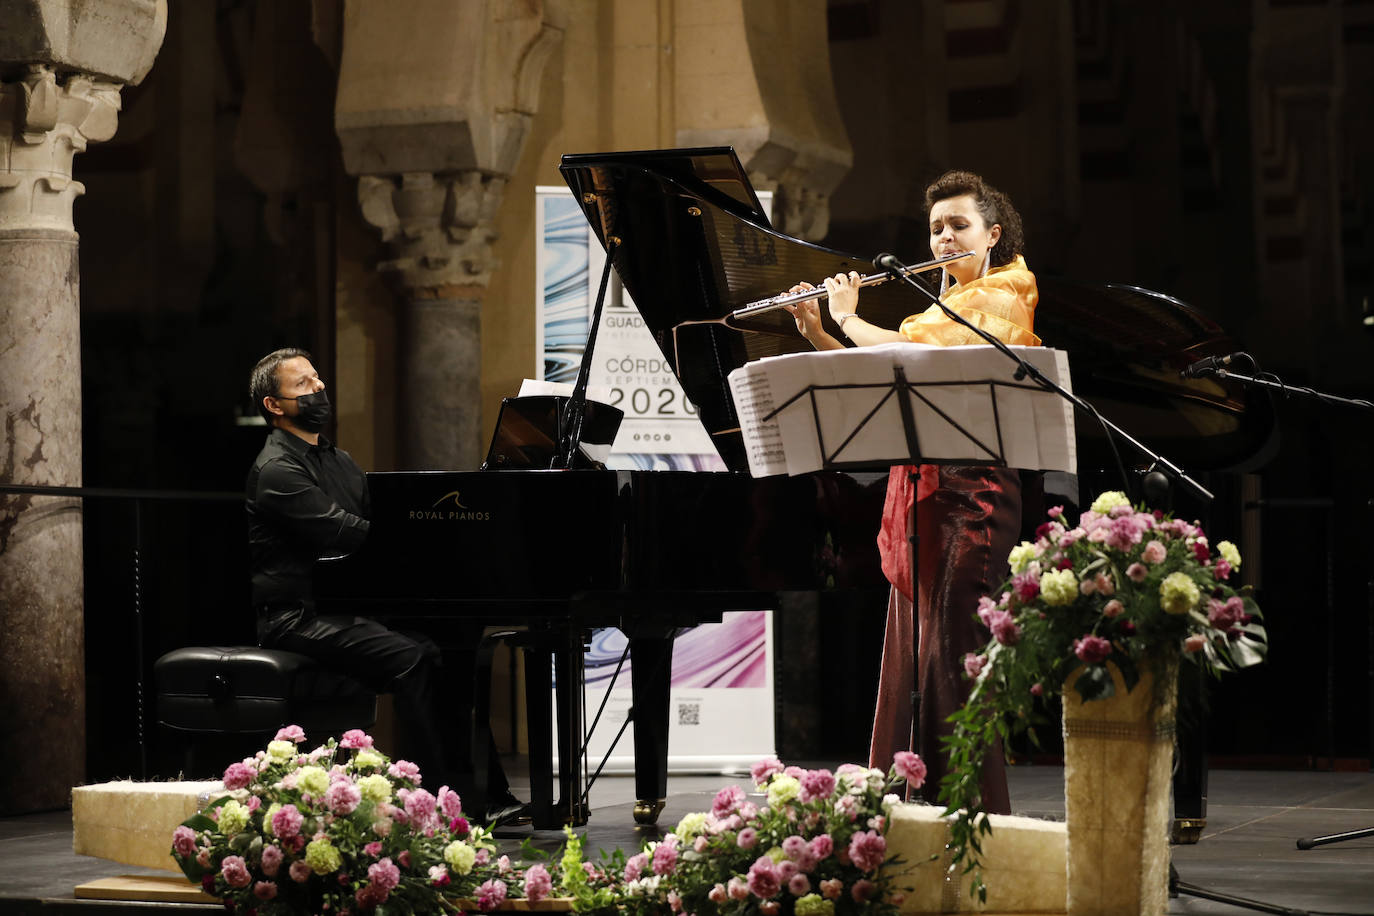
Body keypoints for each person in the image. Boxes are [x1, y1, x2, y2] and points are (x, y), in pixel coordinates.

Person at [785, 171, 1038, 815]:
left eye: (958, 226)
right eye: (935, 229)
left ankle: (976, 823)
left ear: (993, 234)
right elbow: (878, 376)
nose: (944, 238)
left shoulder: (1007, 292)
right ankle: (907, 821)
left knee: (951, 662)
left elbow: (914, 355)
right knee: (909, 664)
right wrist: (819, 329)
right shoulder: (936, 308)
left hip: (972, 497)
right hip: (921, 500)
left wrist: (848, 316)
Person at [245, 347, 528, 825]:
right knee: (414, 657)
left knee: (455, 642)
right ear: (274, 405)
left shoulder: (341, 460)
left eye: (318, 379)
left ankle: (483, 794)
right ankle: (433, 803)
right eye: (303, 385)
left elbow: (380, 522)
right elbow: (345, 532)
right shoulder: (277, 469)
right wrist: (415, 541)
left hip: (345, 604)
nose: (318, 388)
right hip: (297, 615)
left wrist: (434, 538)